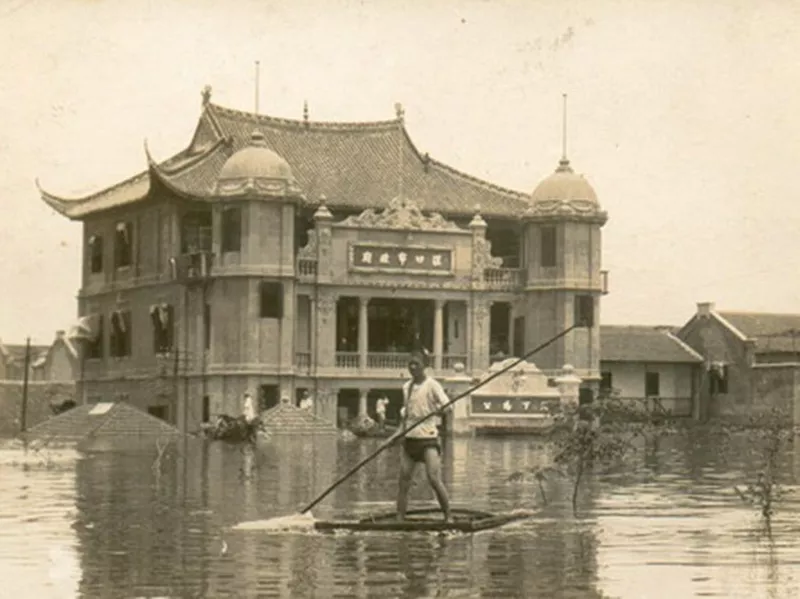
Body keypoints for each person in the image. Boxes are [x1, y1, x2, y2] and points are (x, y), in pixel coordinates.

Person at [394, 350, 452, 522]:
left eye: (416, 364)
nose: (412, 367)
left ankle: (448, 516)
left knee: (434, 478)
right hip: (410, 438)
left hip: (428, 438)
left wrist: (440, 409)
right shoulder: (407, 387)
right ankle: (399, 517)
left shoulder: (432, 385)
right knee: (403, 481)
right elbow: (405, 417)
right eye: (410, 363)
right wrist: (396, 435)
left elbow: (448, 406)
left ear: (424, 366)